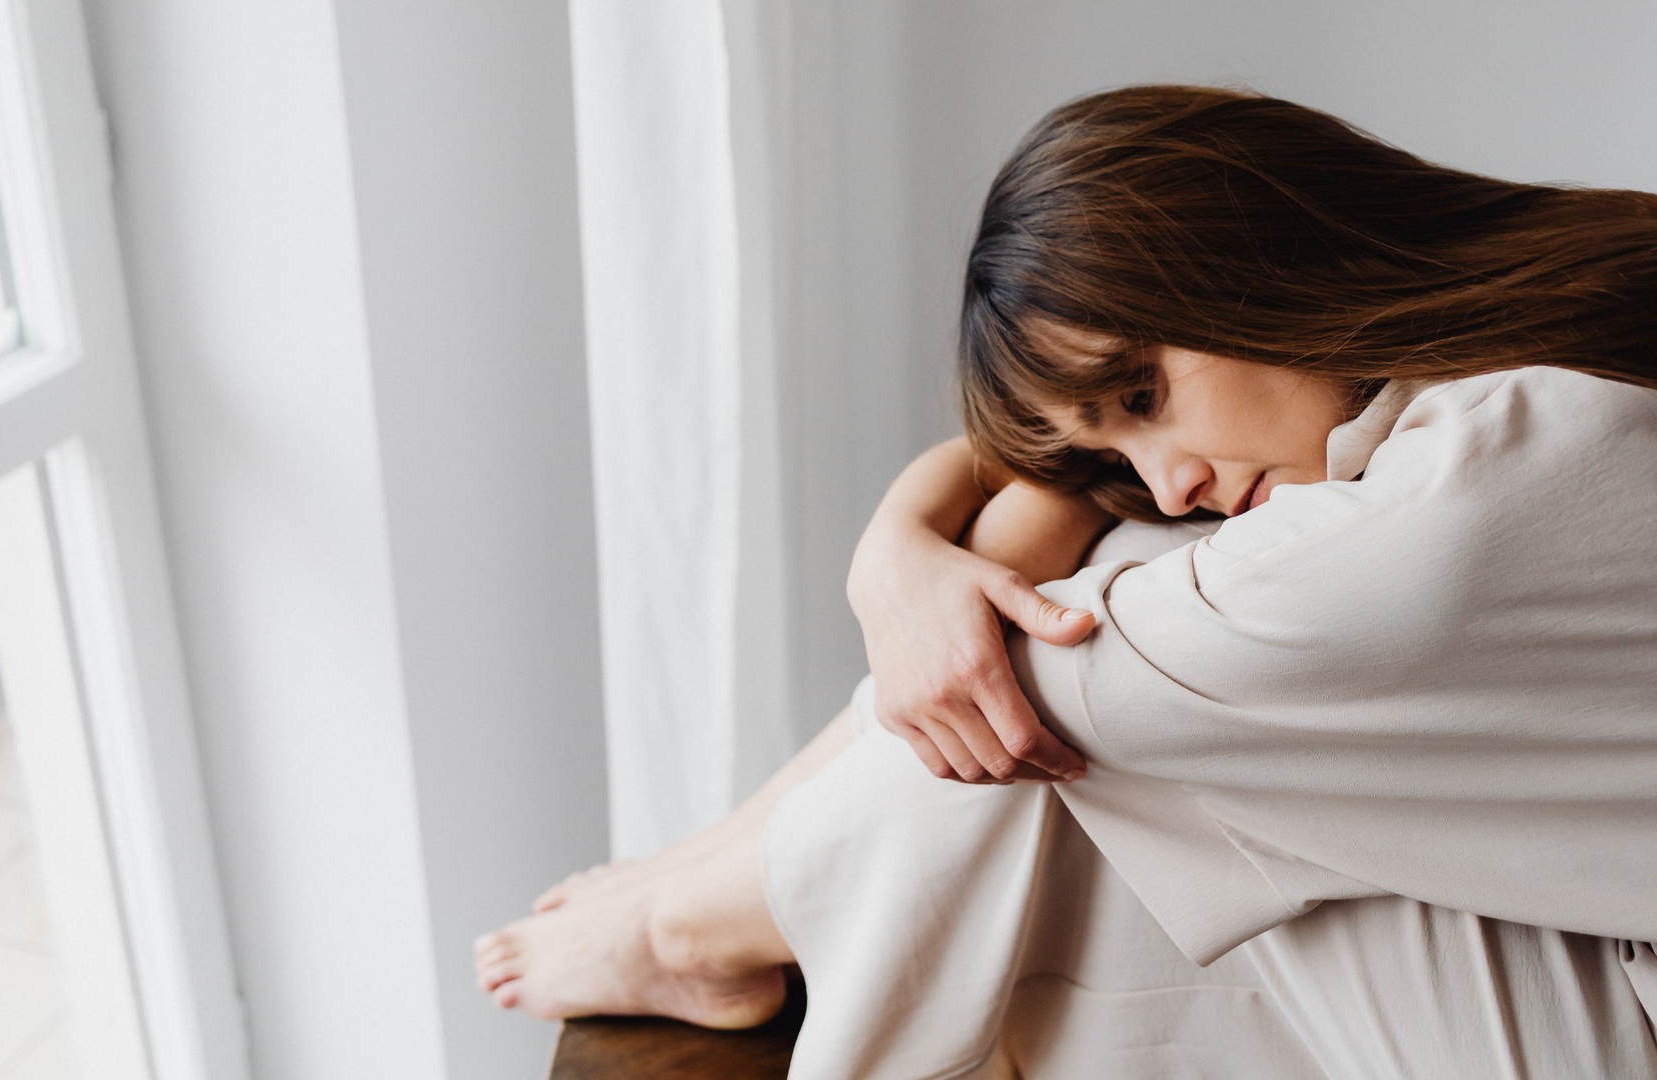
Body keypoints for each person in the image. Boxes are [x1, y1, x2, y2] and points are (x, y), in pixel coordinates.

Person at [473, 86, 1657, 1079]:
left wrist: (920, 569)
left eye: (1143, 396)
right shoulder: (1538, 364)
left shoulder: (1480, 488)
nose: (1172, 479)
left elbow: (1022, 687)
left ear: (1256, 253)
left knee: (1050, 693)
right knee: (1124, 589)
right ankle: (698, 900)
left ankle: (693, 929)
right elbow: (1051, 502)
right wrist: (900, 550)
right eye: (1113, 448)